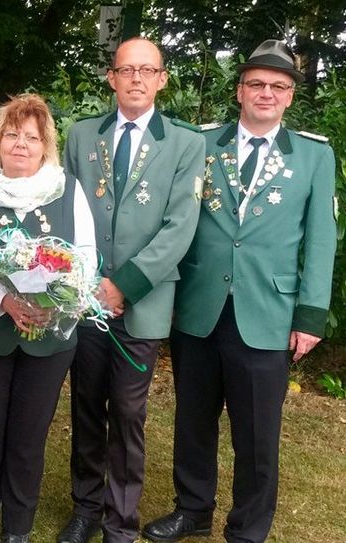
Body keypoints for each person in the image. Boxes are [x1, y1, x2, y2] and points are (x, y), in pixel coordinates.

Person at [142, 39, 337, 543]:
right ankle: (193, 509)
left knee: (257, 434)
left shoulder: (314, 155)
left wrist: (310, 315)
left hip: (268, 310)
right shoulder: (201, 144)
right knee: (193, 420)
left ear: (291, 96)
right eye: (256, 84)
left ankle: (248, 528)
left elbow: (319, 240)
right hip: (200, 304)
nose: (266, 93)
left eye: (278, 86)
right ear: (239, 90)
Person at [58, 37, 204, 543]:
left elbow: (179, 227)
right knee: (86, 404)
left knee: (126, 410)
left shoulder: (187, 144)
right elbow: (65, 213)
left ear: (162, 79)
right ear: (112, 78)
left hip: (142, 302)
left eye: (147, 70)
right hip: (86, 300)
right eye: (127, 70)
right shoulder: (80, 136)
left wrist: (124, 286)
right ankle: (85, 509)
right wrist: (83, 283)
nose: (137, 79)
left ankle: (121, 521)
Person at [0, 94, 96, 543]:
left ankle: (18, 527)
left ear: (45, 146)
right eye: (12, 134)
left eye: (32, 137)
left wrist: (59, 299)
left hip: (49, 337)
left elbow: (86, 259)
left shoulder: (68, 191)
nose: (21, 144)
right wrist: (3, 301)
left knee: (29, 437)